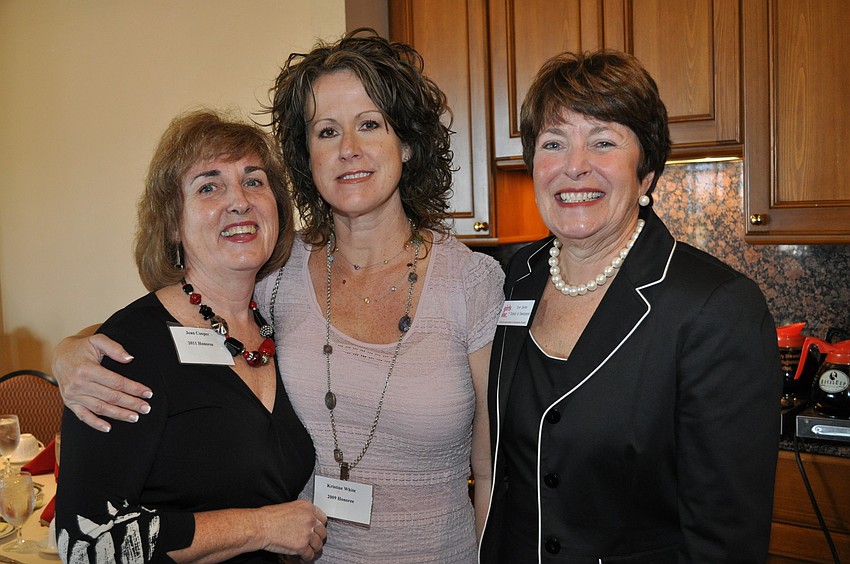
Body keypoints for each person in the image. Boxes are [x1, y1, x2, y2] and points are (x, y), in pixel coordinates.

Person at [52, 30, 505, 563]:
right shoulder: (280, 273)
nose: (349, 150)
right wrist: (67, 353)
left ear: (405, 143)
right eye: (327, 131)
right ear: (306, 156)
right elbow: (170, 318)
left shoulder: (472, 282)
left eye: (370, 124)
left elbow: (494, 466)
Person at [478, 50, 781, 563]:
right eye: (554, 143)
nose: (574, 166)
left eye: (603, 142)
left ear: (645, 173)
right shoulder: (510, 280)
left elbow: (725, 539)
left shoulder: (715, 307)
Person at [54, 109, 327, 563]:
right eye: (208, 186)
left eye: (254, 180)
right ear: (174, 225)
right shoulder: (127, 351)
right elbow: (86, 544)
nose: (239, 201)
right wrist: (260, 527)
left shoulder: (278, 321)